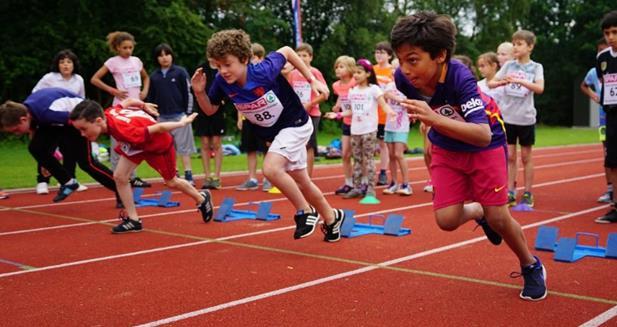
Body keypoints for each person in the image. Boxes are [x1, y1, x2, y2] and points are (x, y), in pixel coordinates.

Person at [391, 11, 547, 301]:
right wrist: (429, 132)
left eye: (412, 59)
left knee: (499, 217)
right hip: (447, 147)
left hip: (484, 146)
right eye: (400, 60)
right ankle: (478, 211)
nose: (405, 69)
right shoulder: (403, 78)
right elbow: (428, 111)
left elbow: (482, 133)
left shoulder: (461, 77)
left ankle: (530, 264)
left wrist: (433, 121)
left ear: (440, 55)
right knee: (447, 220)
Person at [191, 29, 345, 242]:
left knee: (271, 169)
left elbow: (288, 51)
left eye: (227, 64)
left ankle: (306, 211)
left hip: (296, 124)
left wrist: (312, 81)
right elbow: (210, 110)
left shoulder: (263, 70)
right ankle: (332, 217)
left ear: (244, 59)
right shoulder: (221, 81)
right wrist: (199, 92)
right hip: (276, 134)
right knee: (302, 181)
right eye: (218, 65)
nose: (223, 70)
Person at [69, 98, 214, 233]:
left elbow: (159, 128)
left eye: (84, 129)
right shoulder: (109, 113)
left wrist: (181, 124)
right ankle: (134, 220)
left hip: (158, 146)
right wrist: (143, 105)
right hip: (136, 145)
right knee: (120, 177)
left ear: (99, 120)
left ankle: (201, 198)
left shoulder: (123, 129)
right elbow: (128, 101)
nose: (82, 134)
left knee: (171, 182)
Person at [0, 88, 120, 204]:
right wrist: (45, 161)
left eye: (16, 130)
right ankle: (68, 182)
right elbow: (35, 134)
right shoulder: (28, 111)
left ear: (23, 119)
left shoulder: (49, 114)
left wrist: (87, 137)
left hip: (78, 118)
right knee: (35, 148)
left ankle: (122, 190)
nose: (16, 134)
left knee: (86, 163)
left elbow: (76, 123)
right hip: (58, 121)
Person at [324, 59, 396, 204]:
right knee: (356, 159)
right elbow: (351, 110)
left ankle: (370, 190)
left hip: (369, 130)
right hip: (355, 130)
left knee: (368, 159)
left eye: (359, 72)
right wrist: (337, 115)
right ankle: (356, 187)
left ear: (368, 74)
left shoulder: (374, 89)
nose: (355, 75)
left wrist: (391, 112)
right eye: (355, 72)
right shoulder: (353, 91)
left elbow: (382, 104)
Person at [488, 30, 545, 207]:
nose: (515, 47)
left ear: (530, 47)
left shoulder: (536, 67)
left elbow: (539, 88)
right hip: (508, 117)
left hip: (526, 118)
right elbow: (491, 83)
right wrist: (502, 82)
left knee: (526, 156)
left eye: (519, 44)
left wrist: (521, 82)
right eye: (514, 44)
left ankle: (528, 192)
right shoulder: (509, 66)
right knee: (510, 156)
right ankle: (511, 191)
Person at [91, 31, 151, 188]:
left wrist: (144, 92)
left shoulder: (136, 61)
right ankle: (115, 177)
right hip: (121, 107)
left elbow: (146, 77)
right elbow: (95, 79)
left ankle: (132, 176)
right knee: (118, 141)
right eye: (125, 47)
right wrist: (113, 91)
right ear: (117, 48)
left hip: (136, 108)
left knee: (135, 142)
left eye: (130, 47)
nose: (128, 50)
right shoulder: (113, 62)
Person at [32, 49, 88, 194]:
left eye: (69, 62)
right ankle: (42, 181)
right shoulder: (49, 78)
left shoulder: (79, 79)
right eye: (62, 62)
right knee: (46, 150)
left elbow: (81, 100)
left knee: (70, 151)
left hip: (69, 120)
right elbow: (35, 94)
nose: (65, 65)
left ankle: (70, 179)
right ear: (57, 64)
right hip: (51, 119)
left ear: (74, 64)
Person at [146, 43, 197, 186]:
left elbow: (188, 93)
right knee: (166, 148)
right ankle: (173, 174)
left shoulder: (180, 72)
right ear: (156, 58)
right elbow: (151, 98)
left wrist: (187, 113)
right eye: (160, 55)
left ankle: (188, 175)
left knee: (184, 147)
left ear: (172, 55)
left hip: (180, 115)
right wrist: (153, 116)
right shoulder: (154, 76)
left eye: (167, 54)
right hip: (162, 118)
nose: (164, 58)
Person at [287, 43, 327, 177]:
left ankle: (308, 177)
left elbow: (325, 94)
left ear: (311, 57)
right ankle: (297, 174)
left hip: (312, 113)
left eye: (304, 55)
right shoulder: (292, 74)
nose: (301, 58)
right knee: (296, 145)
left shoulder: (314, 73)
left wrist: (310, 104)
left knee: (308, 145)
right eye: (298, 55)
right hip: (296, 114)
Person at [236, 42, 270, 191]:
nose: (250, 61)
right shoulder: (243, 75)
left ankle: (269, 178)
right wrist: (239, 117)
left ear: (260, 57)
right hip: (248, 117)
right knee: (250, 148)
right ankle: (252, 178)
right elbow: (239, 98)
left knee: (266, 149)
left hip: (263, 117)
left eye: (253, 57)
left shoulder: (266, 74)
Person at [580, 39, 611, 203]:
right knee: (607, 153)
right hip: (603, 116)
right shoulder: (594, 72)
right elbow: (583, 86)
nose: (601, 53)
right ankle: (610, 189)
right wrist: (594, 96)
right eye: (599, 50)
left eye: (604, 50)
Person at [594, 10, 617, 224]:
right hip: (611, 115)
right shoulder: (602, 57)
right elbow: (604, 81)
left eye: (615, 32)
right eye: (607, 33)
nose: (611, 37)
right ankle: (615, 206)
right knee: (612, 162)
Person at [193, 62, 226, 190]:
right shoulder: (201, 68)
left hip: (218, 109)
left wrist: (224, 99)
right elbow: (194, 87)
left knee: (217, 143)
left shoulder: (222, 68)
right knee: (205, 143)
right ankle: (207, 176)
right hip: (202, 110)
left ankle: (217, 177)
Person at [382, 80, 413, 196]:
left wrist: (404, 102)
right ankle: (394, 183)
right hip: (389, 124)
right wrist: (400, 100)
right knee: (391, 155)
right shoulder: (390, 85)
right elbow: (386, 94)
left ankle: (406, 184)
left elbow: (410, 104)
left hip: (401, 125)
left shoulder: (408, 86)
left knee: (398, 154)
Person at [331, 55, 356, 195]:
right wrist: (337, 106)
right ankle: (348, 182)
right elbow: (342, 95)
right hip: (347, 123)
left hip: (359, 123)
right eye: (337, 67)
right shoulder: (336, 85)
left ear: (350, 68)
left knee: (359, 155)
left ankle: (363, 181)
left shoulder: (355, 82)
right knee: (345, 154)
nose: (338, 70)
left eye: (341, 67)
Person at [373, 41, 395, 186]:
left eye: (382, 52)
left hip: (384, 113)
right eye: (377, 52)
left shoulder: (392, 71)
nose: (379, 55)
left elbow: (393, 91)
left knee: (383, 144)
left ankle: (383, 172)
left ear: (389, 55)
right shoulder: (372, 69)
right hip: (370, 113)